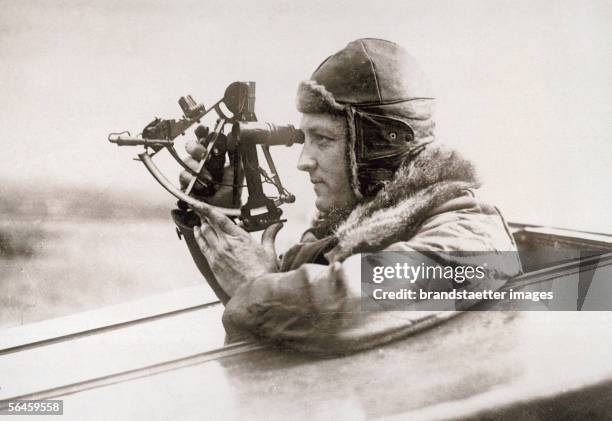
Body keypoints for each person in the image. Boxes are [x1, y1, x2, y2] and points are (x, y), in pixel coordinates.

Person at [176, 38, 522, 355]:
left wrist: (257, 283)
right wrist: (215, 212)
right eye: (304, 140)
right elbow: (271, 317)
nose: (303, 161)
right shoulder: (351, 229)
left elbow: (350, 304)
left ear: (378, 146)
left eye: (322, 140)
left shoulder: (471, 234)